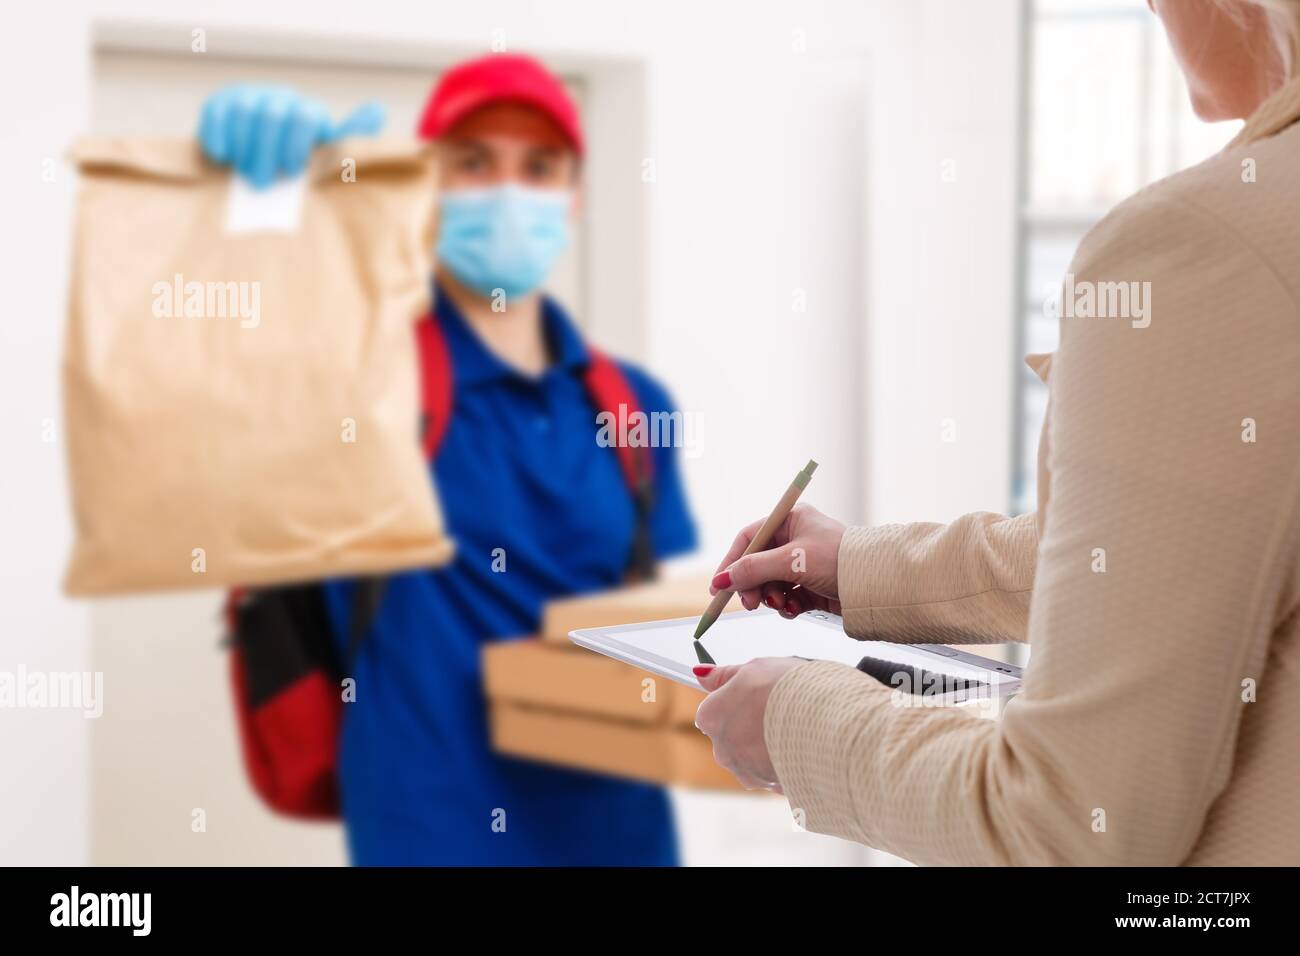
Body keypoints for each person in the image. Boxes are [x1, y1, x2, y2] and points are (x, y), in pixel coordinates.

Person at [694, 0, 1300, 866]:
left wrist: (796, 724)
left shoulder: (1208, 245)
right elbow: (1184, 564)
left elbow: (1061, 826)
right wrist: (863, 569)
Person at [200, 54, 696, 865]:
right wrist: (261, 208)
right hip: (426, 829)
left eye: (538, 167)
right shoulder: (357, 376)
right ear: (424, 185)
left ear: (572, 197)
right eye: (473, 162)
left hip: (619, 830)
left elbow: (635, 619)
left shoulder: (634, 406)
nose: (509, 191)